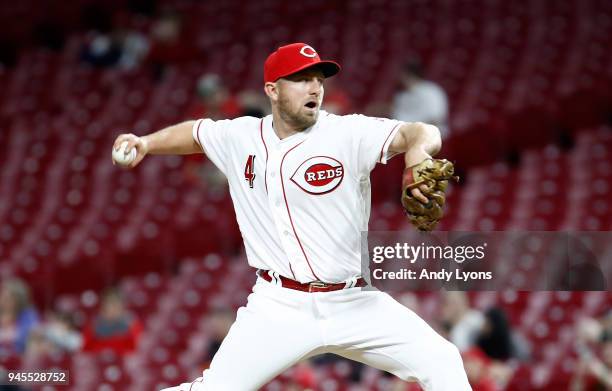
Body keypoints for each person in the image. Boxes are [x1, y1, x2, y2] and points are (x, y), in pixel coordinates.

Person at [112, 42, 469, 391]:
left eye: (319, 79)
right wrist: (146, 142)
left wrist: (418, 151)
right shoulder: (241, 136)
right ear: (272, 90)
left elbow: (421, 131)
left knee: (443, 361)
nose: (314, 87)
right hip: (279, 305)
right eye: (301, 79)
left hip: (353, 300)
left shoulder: (347, 133)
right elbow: (195, 133)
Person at [391, 59, 449, 138]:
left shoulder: (431, 91)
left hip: (430, 137)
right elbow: (397, 117)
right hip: (406, 135)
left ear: (408, 75)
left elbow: (435, 120)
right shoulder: (402, 95)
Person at [81, 287, 142, 355]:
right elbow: (85, 350)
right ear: (102, 308)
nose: (113, 310)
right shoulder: (92, 327)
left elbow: (138, 348)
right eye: (109, 305)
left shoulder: (133, 325)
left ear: (123, 307)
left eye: (116, 305)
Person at [0, 278, 40, 354]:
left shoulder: (28, 315)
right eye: (3, 296)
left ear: (19, 300)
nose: (4, 300)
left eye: (9, 298)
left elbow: (31, 337)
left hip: (19, 358)